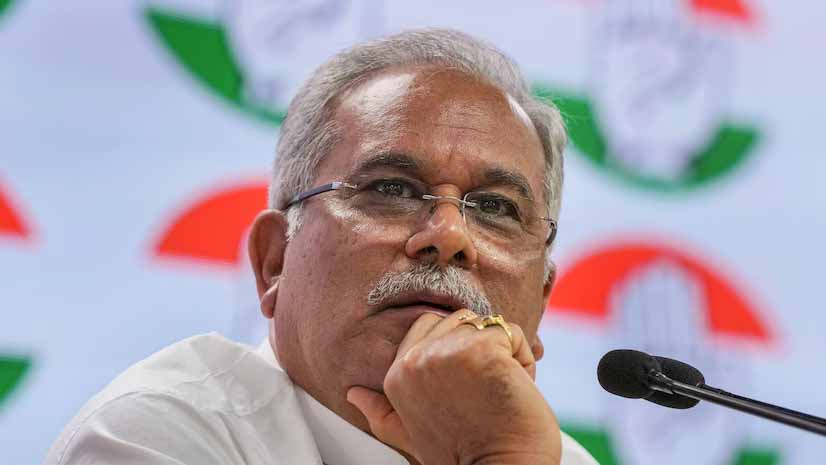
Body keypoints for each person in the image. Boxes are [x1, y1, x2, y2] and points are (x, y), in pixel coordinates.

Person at [45, 28, 599, 465]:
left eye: (496, 207)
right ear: (275, 261)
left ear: (541, 299)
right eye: (392, 190)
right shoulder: (153, 434)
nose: (450, 235)